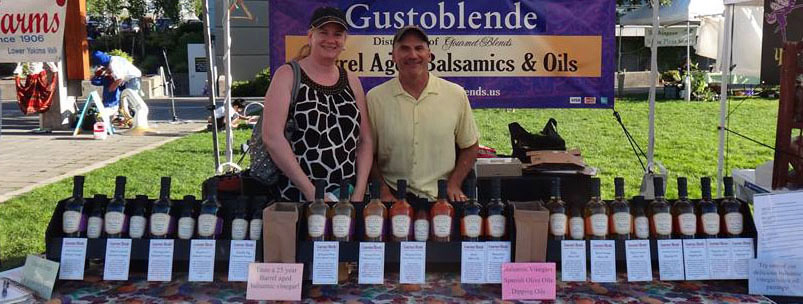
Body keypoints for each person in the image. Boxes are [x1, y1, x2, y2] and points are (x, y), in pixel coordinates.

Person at [259, 6, 373, 202]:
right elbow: (272, 137)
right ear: (310, 36)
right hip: (297, 199)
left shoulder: (352, 80)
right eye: (323, 32)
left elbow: (365, 141)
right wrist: (311, 192)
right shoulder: (288, 75)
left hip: (347, 201)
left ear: (344, 41)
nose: (330, 39)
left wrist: (359, 192)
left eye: (337, 34)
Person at [366, 26, 479, 202]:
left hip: (441, 199)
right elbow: (366, 151)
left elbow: (470, 146)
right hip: (393, 199)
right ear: (393, 56)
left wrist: (454, 184)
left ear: (429, 55)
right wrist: (382, 190)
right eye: (404, 48)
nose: (412, 55)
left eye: (419, 48)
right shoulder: (375, 98)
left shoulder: (456, 94)